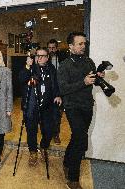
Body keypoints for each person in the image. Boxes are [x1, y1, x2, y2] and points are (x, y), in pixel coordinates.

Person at [57, 32, 104, 189]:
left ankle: (66, 161)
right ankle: (73, 179)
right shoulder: (64, 65)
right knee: (81, 140)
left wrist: (98, 77)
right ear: (71, 46)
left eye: (85, 43)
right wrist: (83, 82)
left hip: (86, 106)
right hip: (72, 107)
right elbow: (63, 89)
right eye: (80, 44)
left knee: (77, 137)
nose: (83, 46)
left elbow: (92, 82)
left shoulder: (89, 61)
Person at [19, 48, 62, 166]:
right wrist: (27, 66)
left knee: (48, 131)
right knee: (31, 131)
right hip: (32, 107)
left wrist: (57, 95)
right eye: (38, 55)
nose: (40, 58)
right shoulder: (31, 67)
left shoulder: (51, 69)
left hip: (47, 106)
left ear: (48, 57)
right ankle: (33, 152)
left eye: (43, 56)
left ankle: (43, 147)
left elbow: (55, 84)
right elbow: (21, 79)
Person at [47, 39, 67, 145]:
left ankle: (56, 134)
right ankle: (47, 134)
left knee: (57, 114)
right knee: (46, 113)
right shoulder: (45, 58)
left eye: (53, 48)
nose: (51, 50)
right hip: (47, 90)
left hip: (59, 89)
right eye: (49, 48)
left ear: (57, 48)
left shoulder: (63, 58)